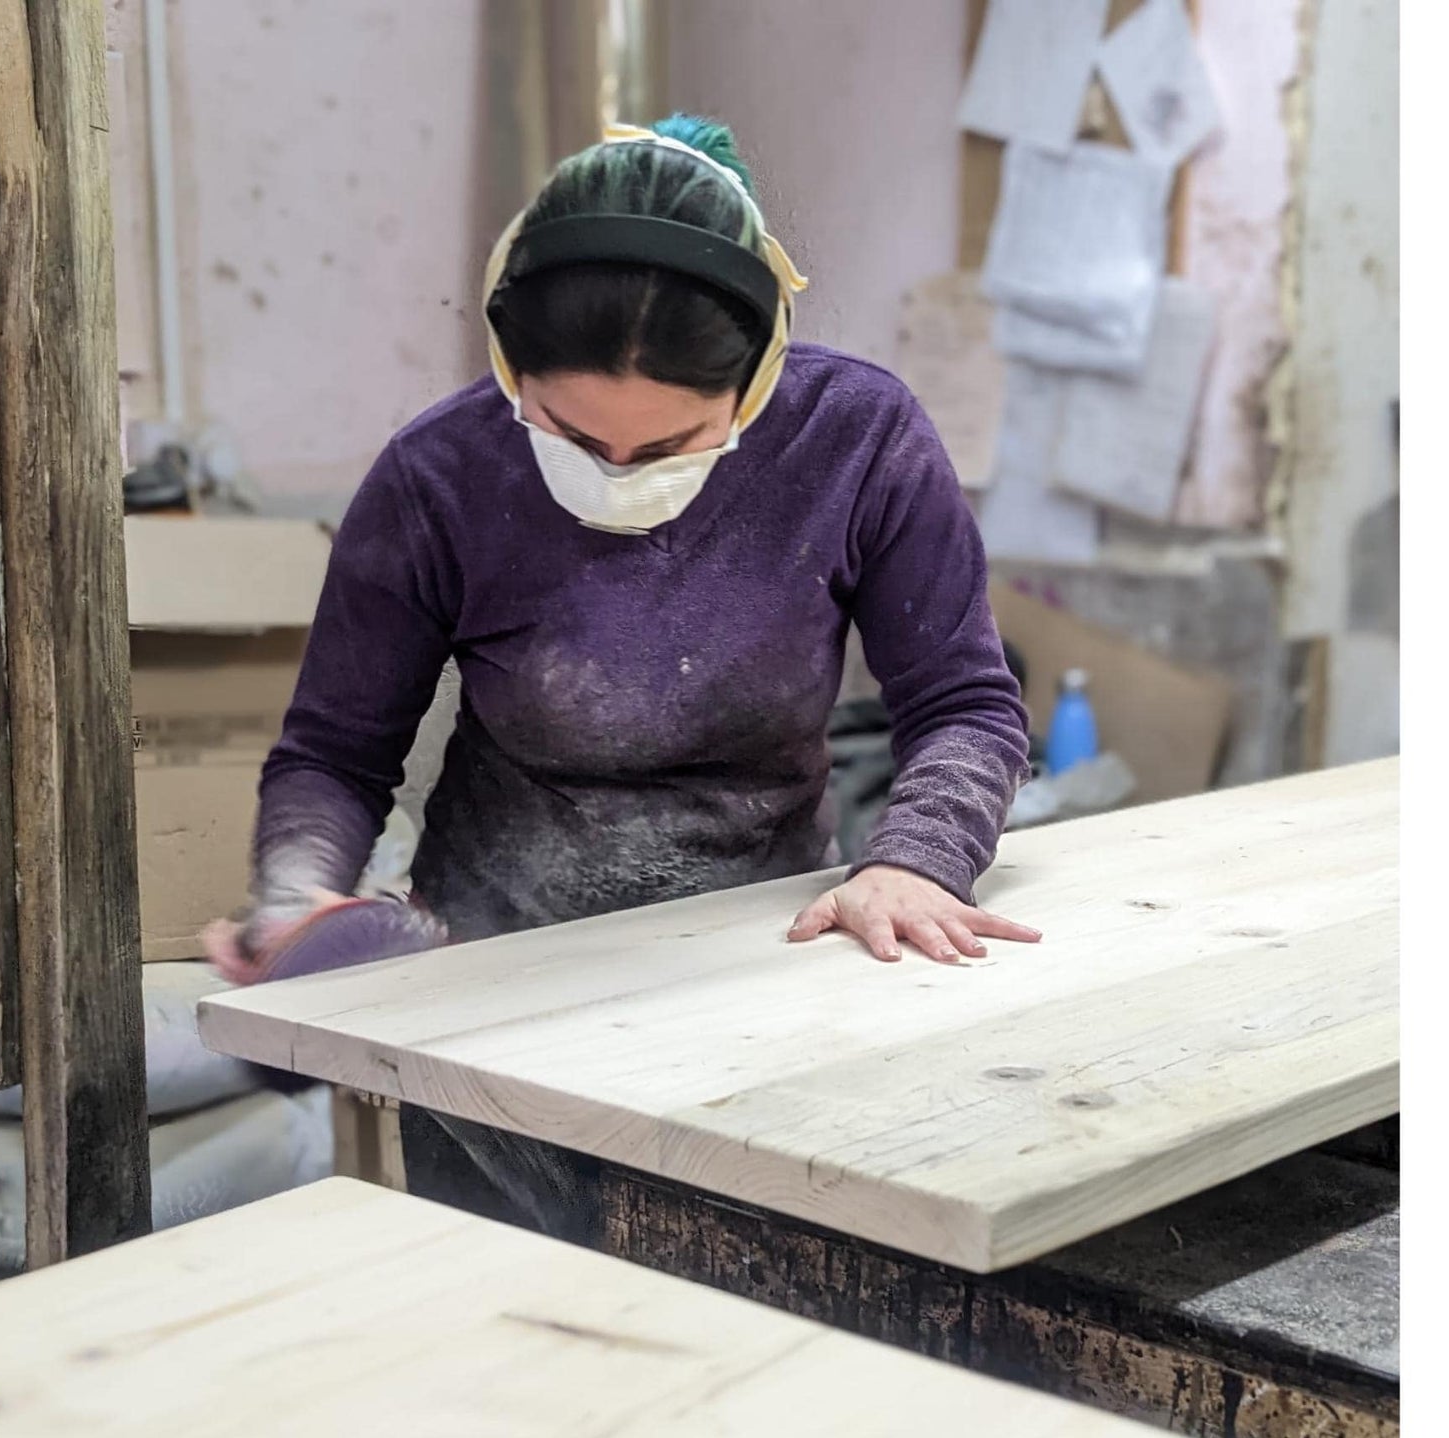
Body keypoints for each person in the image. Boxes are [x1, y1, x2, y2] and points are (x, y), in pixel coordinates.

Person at [207, 115, 1040, 1241]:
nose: (615, 474)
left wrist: (917, 859)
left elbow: (963, 703)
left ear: (753, 379)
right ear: (511, 368)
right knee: (528, 1329)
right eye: (568, 433)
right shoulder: (438, 475)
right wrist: (295, 895)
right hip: (495, 990)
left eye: (667, 445)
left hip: (765, 962)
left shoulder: (857, 441)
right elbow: (334, 753)